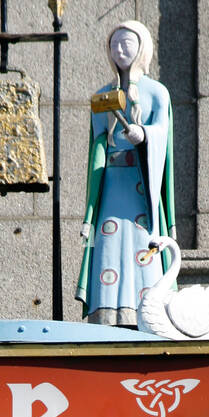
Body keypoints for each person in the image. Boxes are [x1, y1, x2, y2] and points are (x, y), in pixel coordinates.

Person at [76, 20, 176, 326]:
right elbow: (98, 147)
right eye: (114, 44)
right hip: (112, 187)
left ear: (142, 48)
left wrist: (145, 135)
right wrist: (89, 212)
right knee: (108, 244)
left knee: (142, 241)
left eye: (127, 43)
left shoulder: (157, 92)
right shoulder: (103, 95)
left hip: (140, 187)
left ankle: (147, 312)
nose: (120, 49)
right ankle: (107, 314)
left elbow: (163, 132)